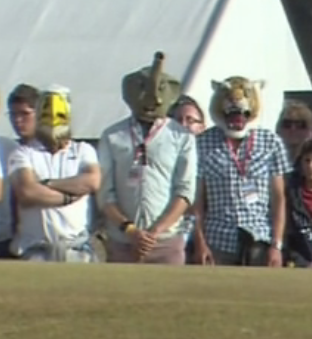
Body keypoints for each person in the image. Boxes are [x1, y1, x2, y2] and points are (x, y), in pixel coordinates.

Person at [97, 52, 197, 264]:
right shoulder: (112, 135)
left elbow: (185, 191)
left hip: (166, 243)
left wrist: (155, 232)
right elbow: (105, 192)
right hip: (123, 241)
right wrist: (131, 230)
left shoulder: (182, 136)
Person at [194, 76, 292, 267]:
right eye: (232, 115)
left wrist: (276, 245)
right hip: (218, 240)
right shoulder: (202, 143)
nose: (237, 119)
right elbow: (197, 201)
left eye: (241, 115)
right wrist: (200, 243)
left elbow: (279, 199)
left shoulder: (271, 142)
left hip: (260, 239)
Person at [8, 85, 101, 262]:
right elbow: (27, 193)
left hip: (76, 248)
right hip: (35, 249)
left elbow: (92, 182)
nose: (18, 121)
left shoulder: (83, 150)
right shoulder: (22, 153)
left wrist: (46, 183)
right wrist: (69, 196)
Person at [169, 94, 206, 261]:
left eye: (190, 120)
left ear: (202, 127)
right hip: (172, 231)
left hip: (207, 235)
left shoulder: (210, 156)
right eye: (178, 120)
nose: (183, 125)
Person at [285, 138, 312, 267]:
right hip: (300, 265)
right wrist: (302, 263)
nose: (310, 166)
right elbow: (288, 236)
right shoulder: (290, 190)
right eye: (307, 161)